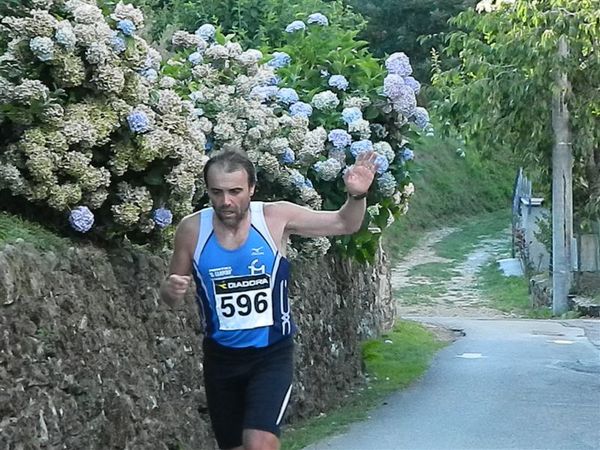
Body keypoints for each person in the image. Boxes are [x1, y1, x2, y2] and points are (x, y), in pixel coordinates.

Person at [160, 148, 378, 450]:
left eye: (235, 191)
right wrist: (170, 291)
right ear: (207, 191)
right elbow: (171, 292)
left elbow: (344, 224)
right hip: (220, 359)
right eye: (217, 192)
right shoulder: (192, 230)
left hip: (270, 354)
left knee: (259, 441)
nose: (226, 202)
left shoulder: (275, 217)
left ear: (252, 188)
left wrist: (356, 197)